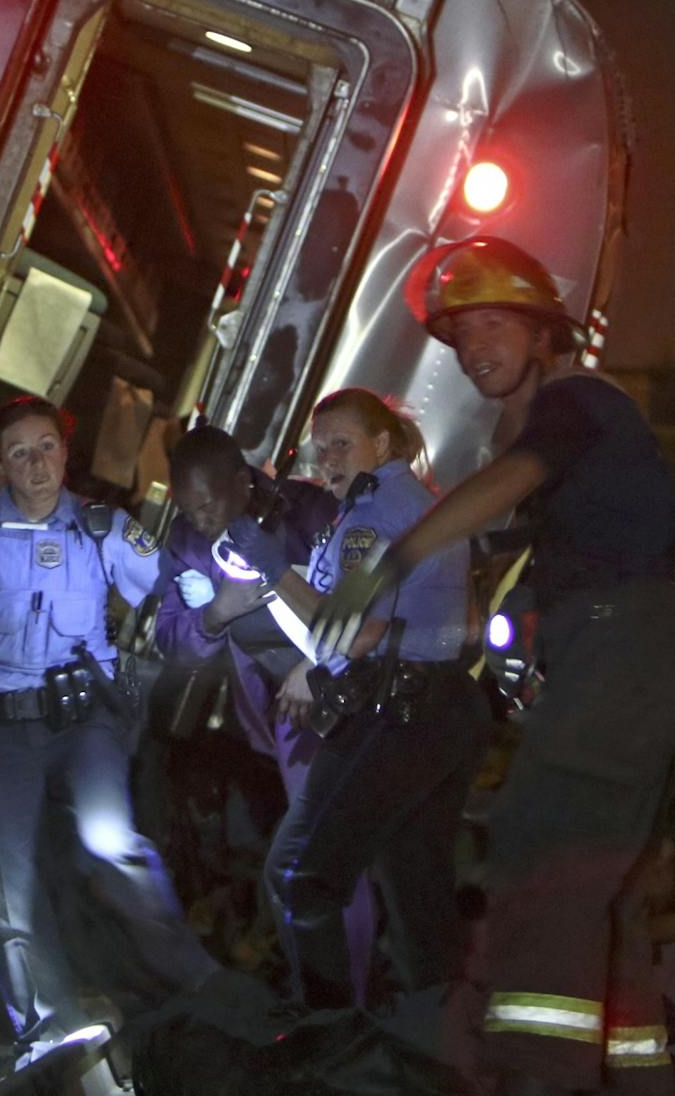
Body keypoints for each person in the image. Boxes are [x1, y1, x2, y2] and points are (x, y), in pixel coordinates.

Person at [311, 237, 675, 1095]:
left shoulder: (576, 403)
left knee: (542, 859)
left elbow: (517, 479)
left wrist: (396, 557)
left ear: (542, 333)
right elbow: (520, 543)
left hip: (621, 653)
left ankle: (536, 1075)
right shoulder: (550, 428)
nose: (475, 346)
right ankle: (635, 1076)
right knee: (609, 879)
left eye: (494, 324)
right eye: (461, 335)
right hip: (627, 655)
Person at [0, 394, 217, 1063]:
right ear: (0, 465)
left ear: (66, 448)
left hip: (84, 719)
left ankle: (200, 981)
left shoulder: (102, 527)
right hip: (2, 728)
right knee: (6, 882)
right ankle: (48, 1026)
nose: (37, 463)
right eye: (20, 453)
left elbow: (175, 587)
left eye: (47, 446)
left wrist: (201, 592)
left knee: (109, 841)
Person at [245, 388, 485, 1012]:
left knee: (300, 874)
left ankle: (328, 1036)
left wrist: (270, 568)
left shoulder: (380, 512)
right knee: (418, 893)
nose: (328, 459)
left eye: (342, 445)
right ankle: (439, 1046)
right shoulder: (382, 505)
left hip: (397, 714)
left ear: (381, 444)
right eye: (320, 448)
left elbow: (353, 626)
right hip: (434, 710)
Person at [156, 423, 374, 1001]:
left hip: (359, 693)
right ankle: (331, 997)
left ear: (243, 479)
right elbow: (172, 639)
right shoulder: (187, 542)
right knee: (311, 855)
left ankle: (359, 995)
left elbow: (374, 592)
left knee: (340, 853)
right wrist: (214, 615)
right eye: (189, 508)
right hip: (290, 717)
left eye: (207, 504)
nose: (200, 519)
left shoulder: (309, 511)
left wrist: (319, 663)